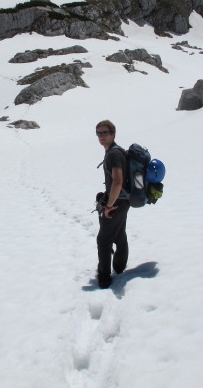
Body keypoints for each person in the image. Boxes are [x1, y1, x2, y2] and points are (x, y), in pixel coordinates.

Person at [95, 120, 130, 289]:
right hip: (123, 201)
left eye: (105, 133)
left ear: (113, 134)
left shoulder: (113, 155)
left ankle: (104, 276)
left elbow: (117, 182)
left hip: (117, 202)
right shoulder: (115, 151)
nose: (101, 137)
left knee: (103, 240)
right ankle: (119, 267)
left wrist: (108, 206)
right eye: (99, 133)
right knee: (119, 233)